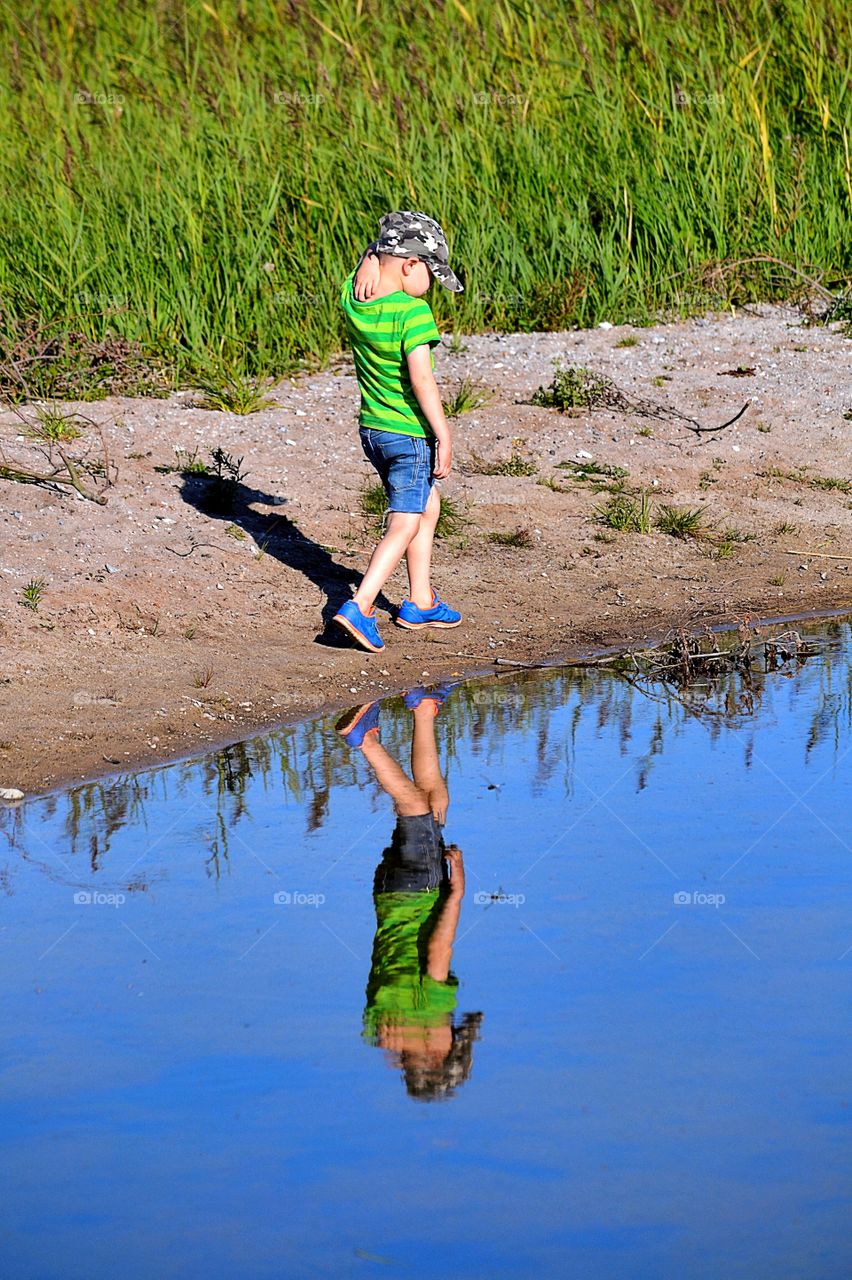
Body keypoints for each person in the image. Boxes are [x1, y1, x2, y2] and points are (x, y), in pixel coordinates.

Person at [336, 687, 483, 1101]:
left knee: (416, 807)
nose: (449, 1037)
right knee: (436, 805)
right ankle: (424, 708)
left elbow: (439, 951)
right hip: (390, 896)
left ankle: (361, 738)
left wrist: (456, 896)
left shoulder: (432, 1021)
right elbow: (387, 1041)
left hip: (420, 893)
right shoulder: (383, 1027)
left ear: (436, 1057)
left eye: (447, 1048)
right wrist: (399, 1056)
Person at [332, 211, 465, 654]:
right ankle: (362, 605)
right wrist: (443, 433)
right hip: (407, 434)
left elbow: (366, 267)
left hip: (372, 431)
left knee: (428, 503)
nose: (433, 284)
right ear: (410, 264)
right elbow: (423, 381)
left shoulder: (356, 297)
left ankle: (420, 601)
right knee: (405, 520)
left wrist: (370, 257)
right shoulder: (413, 313)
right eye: (432, 272)